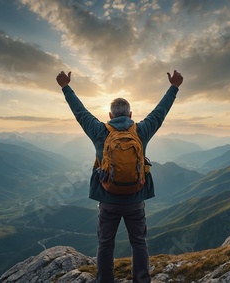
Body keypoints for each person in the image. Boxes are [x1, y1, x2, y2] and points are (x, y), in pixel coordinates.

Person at [56, 70, 183, 283]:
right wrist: (174, 87)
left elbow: (80, 112)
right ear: (130, 115)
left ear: (110, 116)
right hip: (135, 199)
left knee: (106, 244)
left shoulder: (99, 131)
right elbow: (160, 112)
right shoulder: (141, 131)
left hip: (107, 199)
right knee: (139, 243)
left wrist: (65, 87)